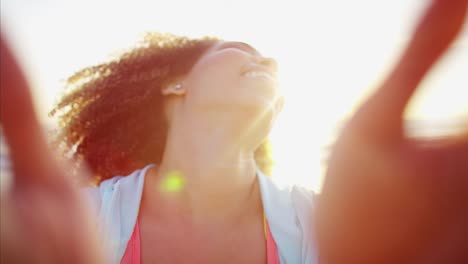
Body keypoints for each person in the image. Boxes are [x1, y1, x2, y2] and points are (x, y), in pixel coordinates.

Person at [1, 0, 467, 263]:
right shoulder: (81, 219)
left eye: (269, 61)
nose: (269, 61)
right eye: (241, 50)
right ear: (175, 82)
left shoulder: (326, 228)